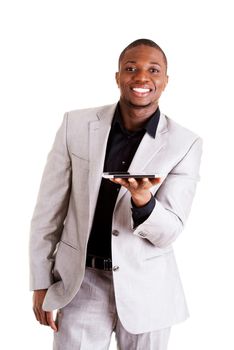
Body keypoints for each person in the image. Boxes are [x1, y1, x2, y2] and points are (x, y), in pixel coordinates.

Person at [30, 38, 203, 350]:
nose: (141, 77)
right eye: (131, 68)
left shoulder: (185, 143)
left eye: (153, 70)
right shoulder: (76, 125)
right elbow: (48, 211)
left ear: (165, 81)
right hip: (81, 283)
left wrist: (144, 202)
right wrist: (41, 281)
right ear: (118, 76)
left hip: (148, 291)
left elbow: (169, 231)